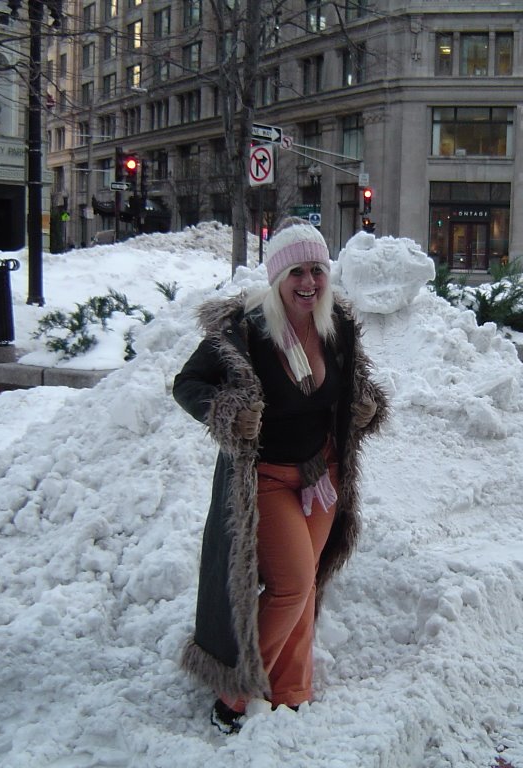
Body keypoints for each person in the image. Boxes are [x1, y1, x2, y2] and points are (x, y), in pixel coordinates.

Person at [172, 220, 389, 735]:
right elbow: (188, 383)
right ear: (277, 277)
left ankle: (291, 690)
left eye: (317, 269)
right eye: (297, 272)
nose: (309, 282)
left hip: (321, 474)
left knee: (306, 583)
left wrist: (365, 409)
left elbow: (355, 386)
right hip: (264, 479)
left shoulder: (335, 322)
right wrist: (226, 412)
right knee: (290, 586)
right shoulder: (245, 330)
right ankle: (234, 692)